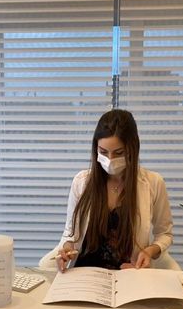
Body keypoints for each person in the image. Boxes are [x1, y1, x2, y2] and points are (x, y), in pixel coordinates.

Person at [54, 109, 174, 272]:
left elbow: (165, 234)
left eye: (118, 153)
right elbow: (70, 234)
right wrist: (67, 249)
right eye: (103, 152)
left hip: (128, 273)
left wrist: (150, 251)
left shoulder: (153, 183)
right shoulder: (81, 182)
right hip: (85, 272)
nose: (110, 160)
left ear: (132, 149)